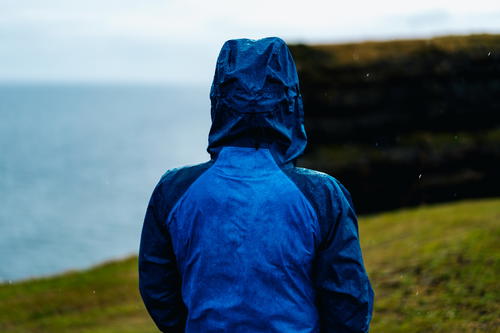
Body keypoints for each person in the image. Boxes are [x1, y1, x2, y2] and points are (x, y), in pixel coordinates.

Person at [139, 37, 374, 333]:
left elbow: (158, 288)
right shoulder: (322, 194)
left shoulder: (173, 189)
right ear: (291, 102)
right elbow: (347, 300)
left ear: (218, 100)